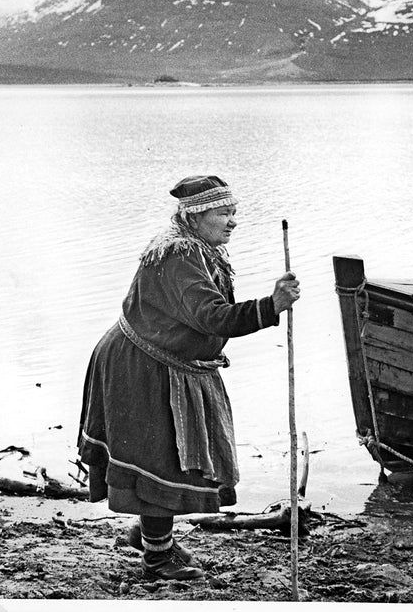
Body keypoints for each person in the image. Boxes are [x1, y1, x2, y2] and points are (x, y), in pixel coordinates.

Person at [77, 174, 300, 581]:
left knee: (169, 455)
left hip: (165, 361)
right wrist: (271, 307)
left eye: (234, 212)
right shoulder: (178, 257)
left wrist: (270, 305)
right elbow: (211, 315)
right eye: (223, 213)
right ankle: (157, 560)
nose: (232, 221)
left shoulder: (199, 247)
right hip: (142, 366)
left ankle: (149, 534)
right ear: (195, 215)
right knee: (161, 458)